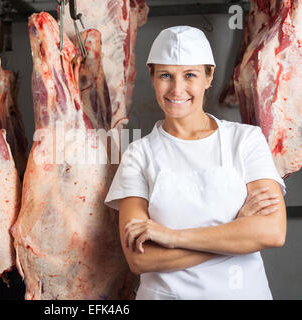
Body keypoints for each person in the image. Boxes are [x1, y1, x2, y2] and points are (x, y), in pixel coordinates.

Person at [104, 26, 287, 300]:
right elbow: (140, 260)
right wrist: (236, 234)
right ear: (152, 77)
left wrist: (171, 237)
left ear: (208, 77)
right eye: (166, 75)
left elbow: (272, 231)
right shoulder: (137, 156)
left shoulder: (245, 140)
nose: (177, 89)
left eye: (190, 75)